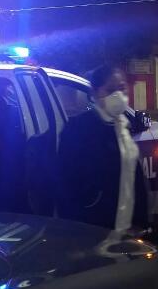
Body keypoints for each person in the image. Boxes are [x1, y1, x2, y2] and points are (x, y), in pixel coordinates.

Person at [57, 65, 148, 232]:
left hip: (127, 227)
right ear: (95, 93)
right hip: (95, 228)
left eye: (121, 88)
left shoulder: (123, 125)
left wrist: (141, 221)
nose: (118, 95)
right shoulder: (78, 128)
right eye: (110, 90)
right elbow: (66, 184)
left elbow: (133, 178)